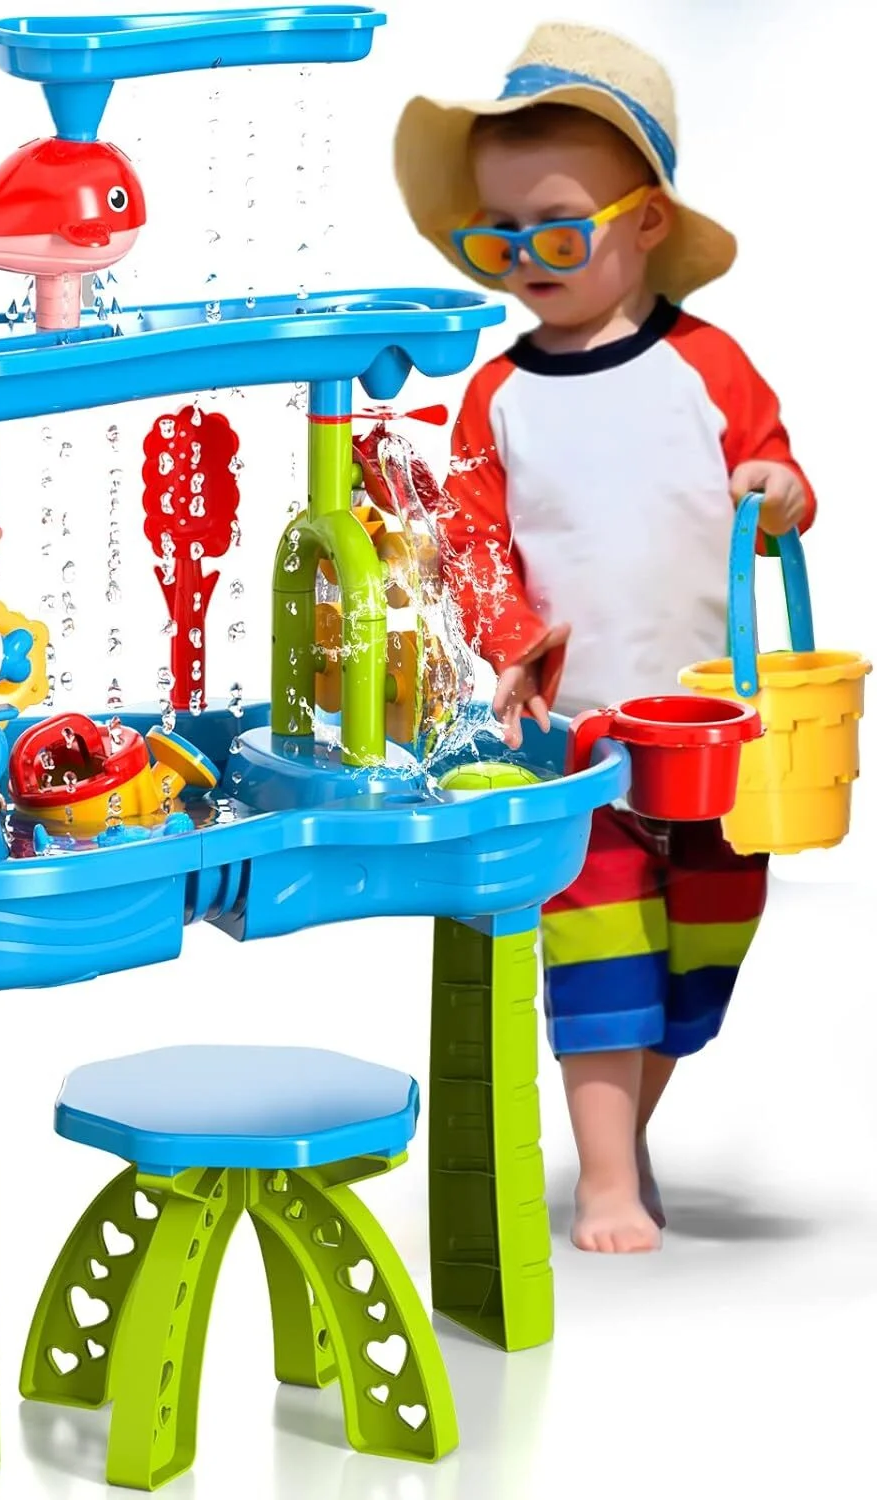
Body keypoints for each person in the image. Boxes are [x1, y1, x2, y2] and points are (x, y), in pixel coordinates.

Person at [393, 25, 815, 1251]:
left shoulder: (707, 364)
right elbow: (472, 544)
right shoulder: (497, 396)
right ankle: (608, 1180)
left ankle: (626, 1136)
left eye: (560, 232)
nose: (527, 259)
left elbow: (779, 477)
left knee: (704, 956)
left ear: (646, 224)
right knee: (595, 961)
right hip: (579, 742)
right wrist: (511, 638)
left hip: (721, 738)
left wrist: (778, 491)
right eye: (499, 238)